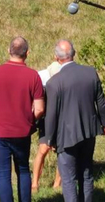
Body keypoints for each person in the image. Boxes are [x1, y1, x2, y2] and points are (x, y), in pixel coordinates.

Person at [0, 37, 45, 202]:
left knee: (3, 173)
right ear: (27, 53)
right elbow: (39, 109)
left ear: (8, 51)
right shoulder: (33, 76)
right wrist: (29, 120)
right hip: (22, 132)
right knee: (23, 170)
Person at [44, 39, 105, 202]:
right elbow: (100, 100)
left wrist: (49, 139)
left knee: (68, 179)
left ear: (56, 58)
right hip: (89, 131)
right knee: (86, 173)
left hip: (66, 137)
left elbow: (51, 114)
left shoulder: (54, 83)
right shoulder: (90, 72)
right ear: (74, 54)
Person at [32, 61, 63, 193]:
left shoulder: (64, 80)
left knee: (62, 152)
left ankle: (57, 184)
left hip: (62, 119)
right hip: (46, 119)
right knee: (43, 150)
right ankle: (34, 183)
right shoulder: (40, 78)